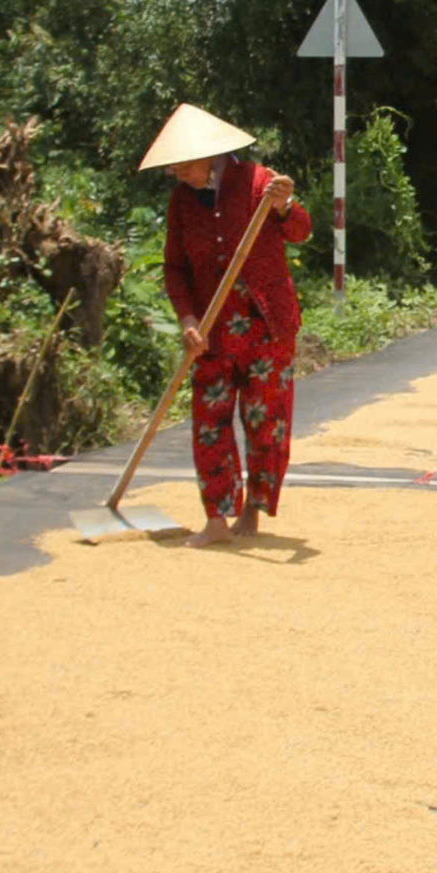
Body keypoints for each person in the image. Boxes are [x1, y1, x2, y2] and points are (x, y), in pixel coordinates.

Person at [141, 103, 311, 547]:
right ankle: (216, 520)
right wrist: (188, 319)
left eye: (182, 164)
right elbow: (175, 268)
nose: (177, 173)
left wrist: (285, 204)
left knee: (264, 420)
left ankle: (252, 513)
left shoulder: (258, 182)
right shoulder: (182, 200)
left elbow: (300, 231)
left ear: (207, 155)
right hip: (212, 332)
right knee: (208, 421)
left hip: (266, 328)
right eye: (173, 167)